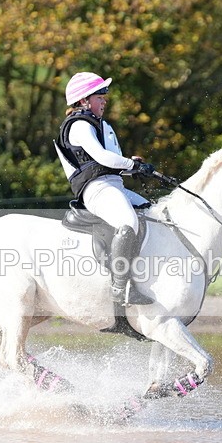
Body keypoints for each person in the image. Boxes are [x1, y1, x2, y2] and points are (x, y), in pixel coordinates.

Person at [54, 71, 156, 306]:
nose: (105, 100)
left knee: (150, 212)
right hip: (96, 189)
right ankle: (120, 288)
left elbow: (110, 162)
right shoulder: (79, 125)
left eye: (104, 96)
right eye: (100, 96)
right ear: (84, 100)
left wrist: (135, 167)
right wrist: (131, 164)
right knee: (128, 222)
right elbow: (102, 157)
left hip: (113, 185)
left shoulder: (102, 125)